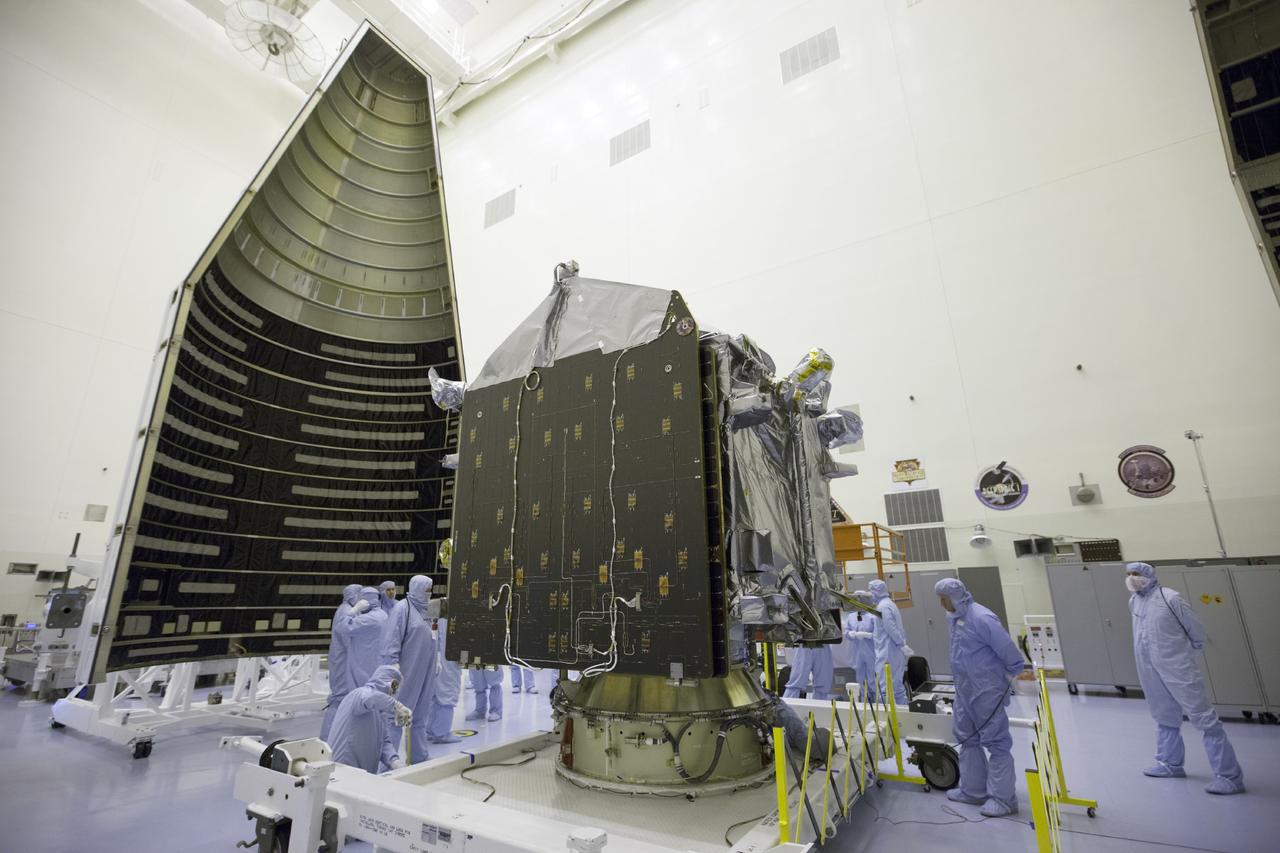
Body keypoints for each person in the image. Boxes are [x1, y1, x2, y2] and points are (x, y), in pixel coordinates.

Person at [1127, 562, 1244, 795]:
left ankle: (1229, 776)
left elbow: (1196, 629)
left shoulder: (1170, 598)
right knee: (1163, 714)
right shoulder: (1134, 601)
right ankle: (1170, 764)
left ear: (1149, 576)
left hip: (1177, 666)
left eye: (1137, 574)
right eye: (1129, 574)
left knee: (1203, 717)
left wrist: (1185, 654)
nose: (1132, 578)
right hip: (1149, 667)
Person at [934, 578, 1025, 817]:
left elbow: (1008, 651)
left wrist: (1010, 674)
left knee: (996, 741)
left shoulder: (982, 618)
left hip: (986, 689)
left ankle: (1003, 799)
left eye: (944, 600)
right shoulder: (955, 617)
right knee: (966, 736)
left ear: (954, 597)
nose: (942, 605)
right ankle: (973, 791)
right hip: (965, 689)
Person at [380, 575, 437, 764]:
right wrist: (392, 664)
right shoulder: (402, 608)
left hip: (425, 671)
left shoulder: (427, 610)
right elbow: (391, 639)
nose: (429, 594)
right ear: (416, 589)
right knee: (397, 715)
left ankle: (419, 758)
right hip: (406, 672)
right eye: (426, 590)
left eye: (430, 590)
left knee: (420, 714)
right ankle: (389, 762)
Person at [329, 664, 413, 773]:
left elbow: (384, 742)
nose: (394, 691)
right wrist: (396, 706)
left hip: (364, 773)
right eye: (394, 685)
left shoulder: (380, 713)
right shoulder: (358, 695)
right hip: (342, 767)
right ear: (382, 680)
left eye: (397, 688)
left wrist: (395, 762)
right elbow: (369, 698)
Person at [320, 584, 362, 741]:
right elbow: (348, 637)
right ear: (351, 595)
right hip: (342, 662)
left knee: (342, 698)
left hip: (343, 660)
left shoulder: (348, 610)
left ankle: (333, 738)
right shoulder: (346, 611)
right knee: (339, 698)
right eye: (358, 593)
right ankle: (326, 739)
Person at [868, 579, 913, 705]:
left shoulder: (883, 606)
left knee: (885, 688)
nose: (871, 595)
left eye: (871, 591)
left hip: (888, 652)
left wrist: (900, 643)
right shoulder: (889, 604)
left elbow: (890, 627)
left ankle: (887, 720)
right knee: (896, 686)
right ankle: (903, 715)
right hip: (894, 651)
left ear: (876, 592)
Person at [427, 618, 462, 744]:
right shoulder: (452, 616)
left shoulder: (432, 611)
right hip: (448, 660)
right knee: (448, 693)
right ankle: (441, 733)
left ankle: (430, 730)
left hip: (433, 658)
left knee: (433, 695)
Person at [346, 587, 388, 688]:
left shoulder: (368, 618)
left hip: (363, 663)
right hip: (376, 661)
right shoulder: (383, 614)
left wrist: (353, 611)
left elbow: (345, 627)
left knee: (362, 692)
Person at [844, 590, 878, 701]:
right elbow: (846, 632)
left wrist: (868, 635)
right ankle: (864, 702)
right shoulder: (851, 616)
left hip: (871, 652)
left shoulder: (873, 616)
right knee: (860, 678)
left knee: (873, 678)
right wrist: (852, 634)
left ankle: (876, 701)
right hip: (857, 652)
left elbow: (880, 635)